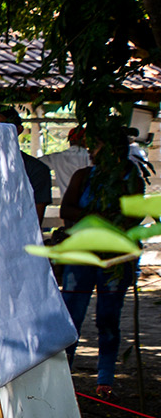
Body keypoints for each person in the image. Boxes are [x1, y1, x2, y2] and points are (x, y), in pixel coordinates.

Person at [58, 129, 145, 397]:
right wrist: (94, 216)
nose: (96, 152)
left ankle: (105, 376)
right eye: (95, 147)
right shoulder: (83, 176)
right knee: (72, 315)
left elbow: (135, 215)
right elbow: (66, 210)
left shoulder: (132, 178)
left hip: (115, 258)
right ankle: (62, 375)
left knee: (109, 317)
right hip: (82, 255)